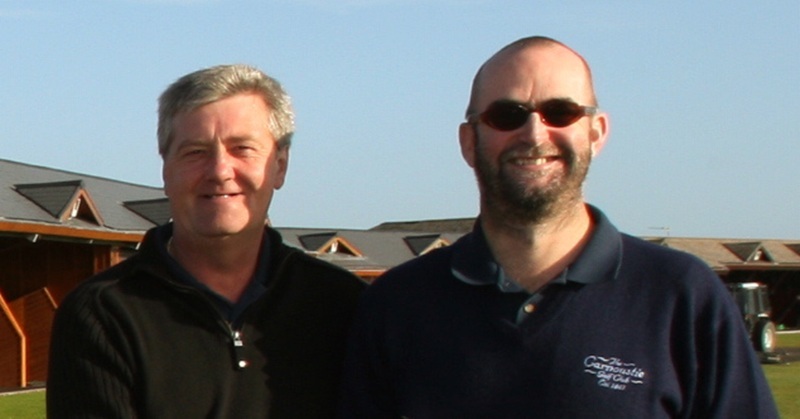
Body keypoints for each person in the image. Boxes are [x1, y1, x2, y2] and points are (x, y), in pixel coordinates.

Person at [339, 36, 778, 418]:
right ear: (469, 141)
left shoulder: (681, 295)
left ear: (596, 132)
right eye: (507, 115)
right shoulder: (397, 305)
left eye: (560, 112)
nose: (534, 133)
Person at [47, 64, 365, 417]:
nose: (219, 171)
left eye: (242, 148)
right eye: (195, 152)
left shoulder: (345, 305)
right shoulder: (102, 315)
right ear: (166, 169)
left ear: (280, 166)